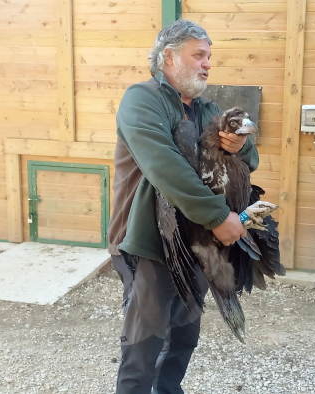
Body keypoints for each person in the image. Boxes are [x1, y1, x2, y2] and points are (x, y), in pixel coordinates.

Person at [106, 19, 260, 394]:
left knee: (183, 335)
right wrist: (217, 216)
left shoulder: (208, 109)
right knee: (145, 342)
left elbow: (248, 162)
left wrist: (243, 148)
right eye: (199, 55)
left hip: (197, 244)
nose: (207, 63)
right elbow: (164, 166)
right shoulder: (142, 100)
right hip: (148, 242)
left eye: (209, 56)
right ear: (169, 57)